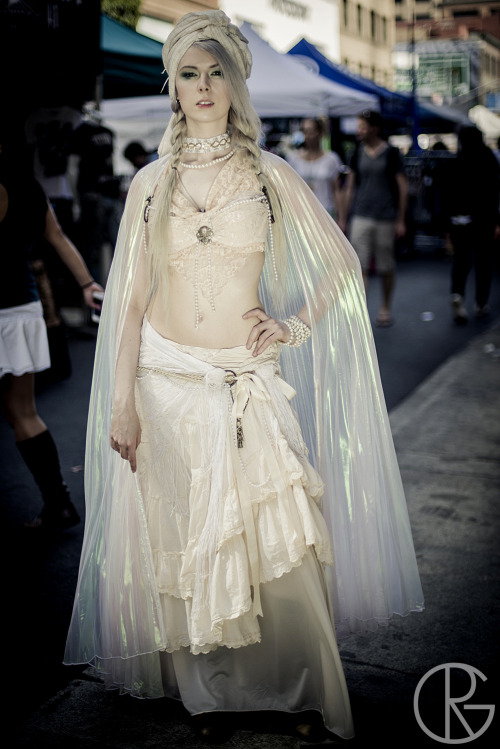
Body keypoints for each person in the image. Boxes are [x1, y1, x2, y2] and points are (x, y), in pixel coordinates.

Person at [64, 11, 423, 744]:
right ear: (173, 84)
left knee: (276, 540)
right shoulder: (150, 184)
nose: (203, 87)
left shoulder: (271, 173)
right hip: (164, 383)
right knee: (183, 544)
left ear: (235, 79)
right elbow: (129, 304)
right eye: (188, 73)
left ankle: (292, 684)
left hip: (243, 379)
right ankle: (204, 689)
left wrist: (292, 326)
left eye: (215, 71)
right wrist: (124, 401)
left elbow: (342, 265)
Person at [0, 129, 103, 530]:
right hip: (22, 308)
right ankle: (58, 502)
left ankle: (58, 504)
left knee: (20, 411)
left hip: (8, 309)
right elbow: (57, 238)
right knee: (22, 411)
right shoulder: (29, 187)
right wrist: (86, 284)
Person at [341, 110, 408, 327]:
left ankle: (385, 306)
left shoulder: (391, 154)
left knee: (385, 266)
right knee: (359, 265)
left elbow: (402, 187)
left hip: (385, 217)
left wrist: (400, 219)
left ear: (375, 128)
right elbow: (350, 187)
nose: (359, 131)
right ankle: (361, 310)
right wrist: (343, 217)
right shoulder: (356, 153)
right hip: (361, 214)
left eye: (362, 127)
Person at [442, 126, 500, 324]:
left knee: (461, 260)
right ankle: (481, 302)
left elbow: (447, 196)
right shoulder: (489, 160)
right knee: (483, 262)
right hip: (483, 220)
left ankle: (457, 293)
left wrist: (447, 225)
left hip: (459, 221)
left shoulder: (457, 161)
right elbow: (494, 193)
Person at [285, 118, 344, 219]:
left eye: (310, 131)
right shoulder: (293, 159)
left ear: (320, 133)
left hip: (325, 212)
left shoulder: (332, 159)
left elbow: (337, 190)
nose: (307, 135)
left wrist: (342, 218)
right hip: (301, 213)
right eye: (304, 131)